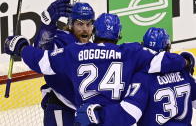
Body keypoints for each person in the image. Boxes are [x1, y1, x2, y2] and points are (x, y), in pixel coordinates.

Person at [4, 13, 191, 126]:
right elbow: (163, 60)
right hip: (115, 120)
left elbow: (42, 61)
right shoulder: (131, 52)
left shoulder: (74, 52)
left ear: (94, 32)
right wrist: (186, 61)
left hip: (85, 119)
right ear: (118, 35)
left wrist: (20, 47)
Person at [74, 27, 196, 126]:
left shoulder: (142, 78)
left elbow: (129, 113)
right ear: (168, 48)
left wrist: (98, 115)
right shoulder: (184, 72)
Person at [33, 0, 95, 126]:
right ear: (71, 24)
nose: (85, 29)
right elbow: (41, 50)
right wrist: (48, 24)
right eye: (80, 24)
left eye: (88, 24)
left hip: (83, 112)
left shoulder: (92, 47)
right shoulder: (61, 38)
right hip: (61, 107)